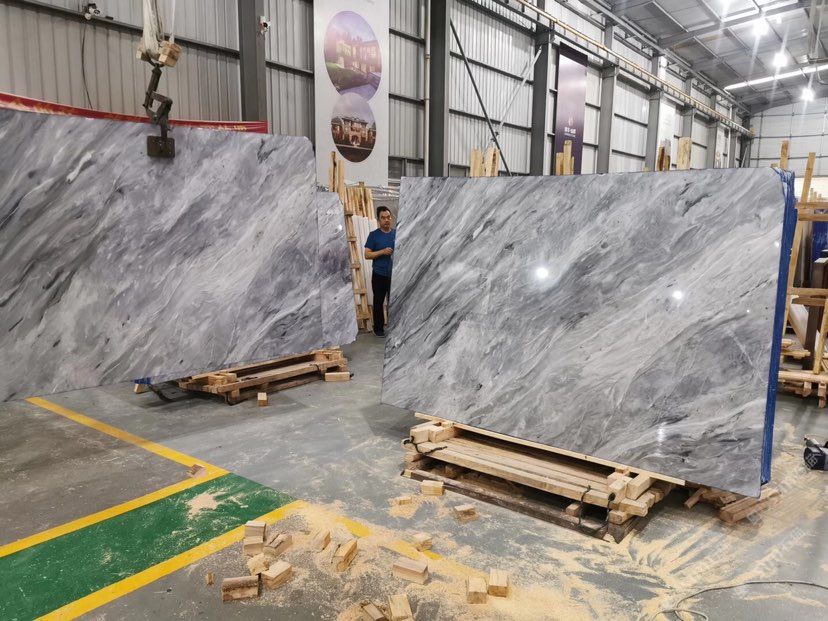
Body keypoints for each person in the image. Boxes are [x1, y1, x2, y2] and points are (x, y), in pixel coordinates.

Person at [364, 206, 396, 337]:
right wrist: (382, 251)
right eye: (383, 218)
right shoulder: (373, 235)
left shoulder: (396, 233)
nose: (386, 220)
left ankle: (395, 327)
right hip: (379, 274)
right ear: (379, 220)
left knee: (394, 301)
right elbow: (367, 254)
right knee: (378, 302)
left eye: (388, 217)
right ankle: (378, 329)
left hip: (394, 274)